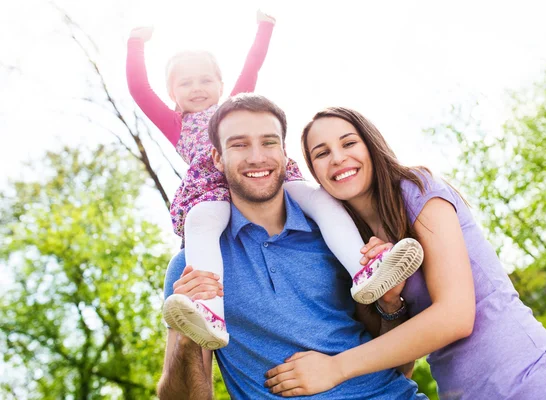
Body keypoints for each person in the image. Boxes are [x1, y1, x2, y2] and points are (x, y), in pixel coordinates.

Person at [127, 12, 423, 350]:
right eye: (186, 83)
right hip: (213, 190)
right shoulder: (175, 122)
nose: (197, 88)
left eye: (206, 80)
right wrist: (136, 43)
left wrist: (264, 26)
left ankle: (364, 270)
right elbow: (139, 89)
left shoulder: (236, 110)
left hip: (267, 176)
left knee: (319, 199)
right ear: (172, 94)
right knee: (200, 223)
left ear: (221, 87)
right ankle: (208, 312)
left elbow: (251, 67)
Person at [263, 106, 546, 399]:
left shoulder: (416, 189)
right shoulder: (356, 252)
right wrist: (391, 303)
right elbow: (401, 367)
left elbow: (455, 317)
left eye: (349, 143)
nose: (337, 158)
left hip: (538, 385)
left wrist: (335, 368)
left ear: (371, 144)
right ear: (315, 173)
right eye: (321, 153)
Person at [156, 93, 428, 399]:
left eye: (269, 142)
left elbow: (402, 369)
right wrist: (188, 335)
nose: (257, 157)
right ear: (217, 158)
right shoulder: (193, 268)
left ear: (285, 153)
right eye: (239, 144)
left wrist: (390, 305)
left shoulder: (337, 238)